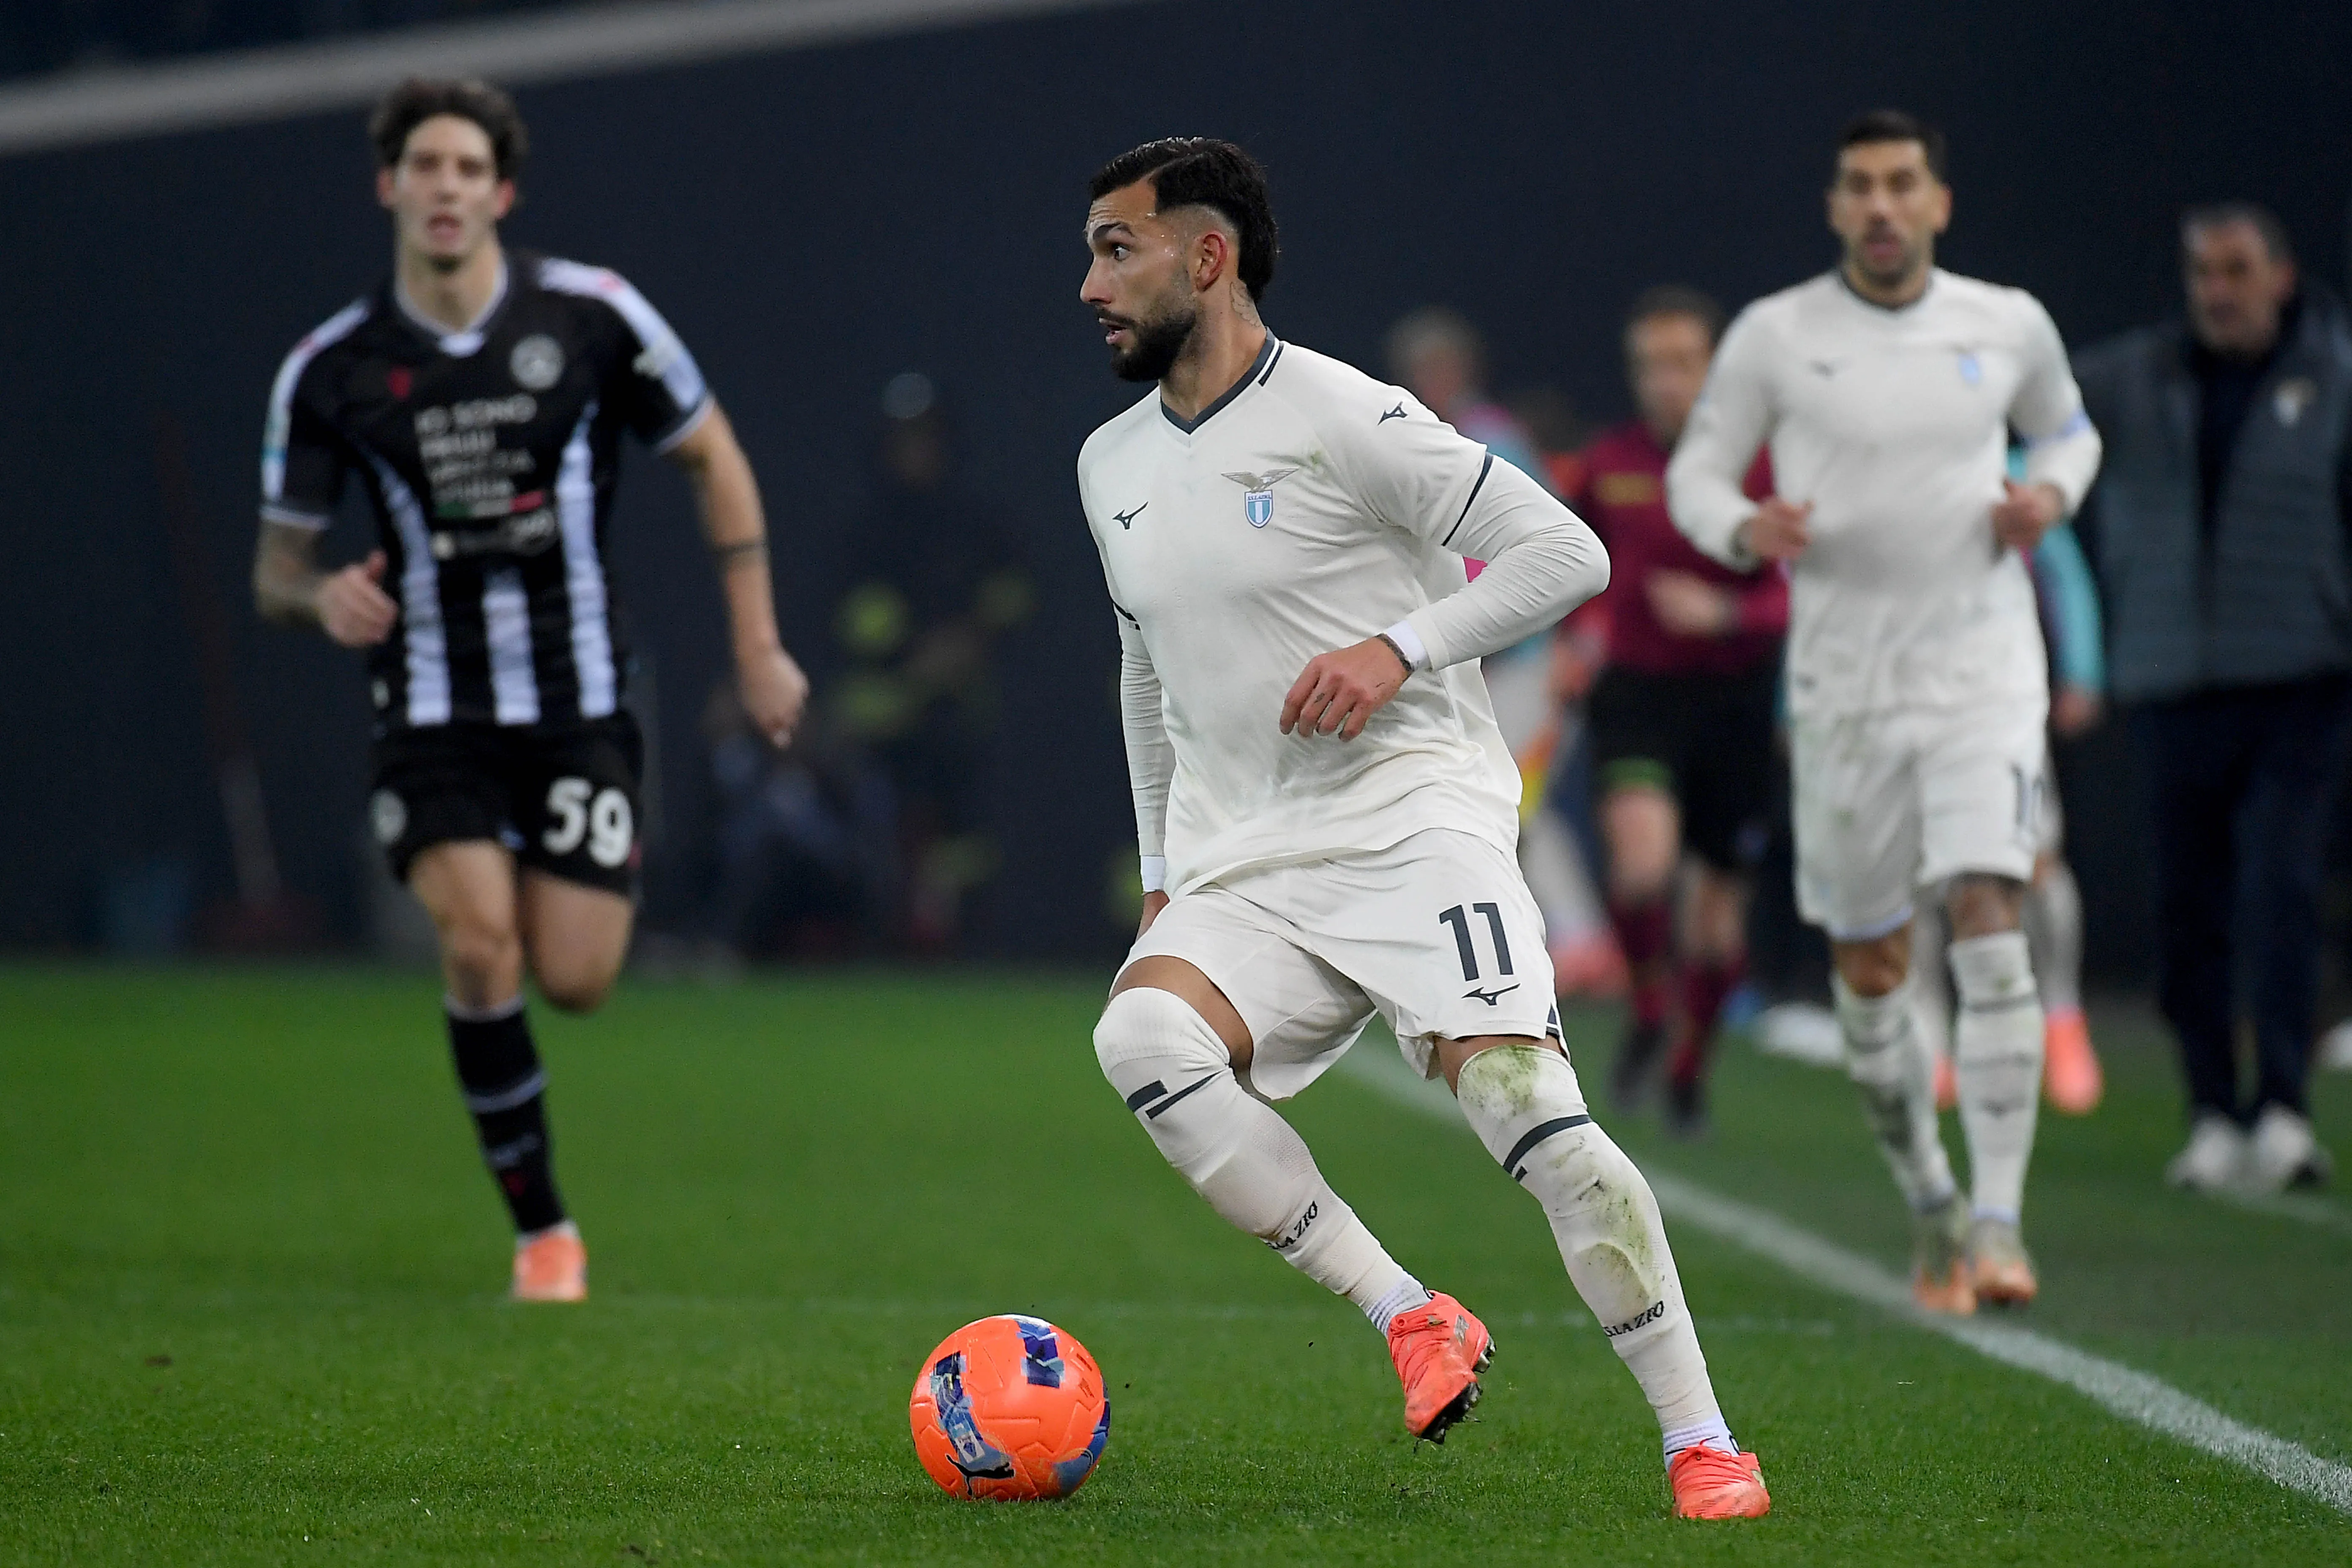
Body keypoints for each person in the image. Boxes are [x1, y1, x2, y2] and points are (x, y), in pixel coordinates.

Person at [1077, 136, 1768, 1519]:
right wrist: (1162, 876)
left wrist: (1397, 647)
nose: (1088, 283)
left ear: (1204, 259)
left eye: (1115, 249)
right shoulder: (1107, 462)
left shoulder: (1346, 414)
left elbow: (1563, 551)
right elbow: (1141, 675)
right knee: (1138, 1039)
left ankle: (1699, 1439)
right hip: (1241, 866)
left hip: (1410, 829)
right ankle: (1407, 1312)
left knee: (1526, 1113)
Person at [251, 79, 808, 1300]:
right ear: (387, 186)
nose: (445, 187)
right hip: (433, 714)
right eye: (424, 166)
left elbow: (714, 457)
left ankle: (536, 1161)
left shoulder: (594, 316)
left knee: (578, 979)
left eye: (467, 169)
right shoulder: (331, 369)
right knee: (482, 942)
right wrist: (318, 597)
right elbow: (275, 568)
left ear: (500, 193)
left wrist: (758, 645)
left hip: (577, 705)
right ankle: (544, 1232)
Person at [1667, 111, 2102, 1313]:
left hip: (1982, 674)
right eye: (1860, 185)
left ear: (1938, 204)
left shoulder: (2005, 323)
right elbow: (1698, 472)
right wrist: (1742, 529)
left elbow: (2069, 426)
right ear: (1836, 206)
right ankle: (1930, 1202)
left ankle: (2005, 1220)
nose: (1882, 205)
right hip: (1845, 692)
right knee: (1872, 963)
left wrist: (2051, 492)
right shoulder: (1777, 336)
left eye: (1903, 184)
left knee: (1989, 911)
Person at [2073, 203, 2352, 1192]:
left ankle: (2280, 1104)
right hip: (2173, 678)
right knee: (2188, 904)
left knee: (2280, 891)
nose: (2218, 291)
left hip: (2298, 677)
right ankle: (2209, 1110)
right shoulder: (2133, 375)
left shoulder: (2337, 374)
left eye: (2236, 269)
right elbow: (2028, 406)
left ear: (2281, 274)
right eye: (2203, 272)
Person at [1572, 286, 1785, 1134]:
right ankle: (1650, 1005)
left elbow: (1795, 593)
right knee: (1643, 868)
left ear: (1715, 366)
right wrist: (1571, 631)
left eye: (1682, 362)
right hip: (1637, 694)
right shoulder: (1609, 461)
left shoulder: (1760, 469)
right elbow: (1562, 552)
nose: (1665, 381)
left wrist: (1727, 611)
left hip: (1734, 701)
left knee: (1715, 921)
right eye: (1649, 365)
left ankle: (1690, 1064)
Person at [1386, 308, 1623, 996]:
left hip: (1521, 662)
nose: (1432, 380)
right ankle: (1535, 945)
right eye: (1421, 369)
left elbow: (1539, 546)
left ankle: (1578, 941)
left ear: (1462, 372)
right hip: (1455, 659)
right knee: (1478, 801)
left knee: (1512, 802)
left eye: (1442, 367)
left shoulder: (1493, 440)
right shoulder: (1400, 437)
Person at [1914, 468, 2108, 1118]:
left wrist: (2080, 668)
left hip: (2000, 705)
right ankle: (1933, 1041)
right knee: (1916, 881)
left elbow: (2064, 575)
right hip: (1902, 708)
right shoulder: (1874, 467)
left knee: (2035, 866)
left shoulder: (2010, 471)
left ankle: (2061, 1014)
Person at [827, 373, 1032, 950]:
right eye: (904, 440)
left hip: (963, 716)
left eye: (927, 438)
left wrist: (973, 638)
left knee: (966, 846)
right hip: (883, 722)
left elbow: (1015, 598)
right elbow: (852, 621)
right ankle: (878, 943)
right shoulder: (865, 532)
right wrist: (914, 657)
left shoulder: (978, 526)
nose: (916, 453)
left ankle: (965, 943)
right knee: (882, 843)